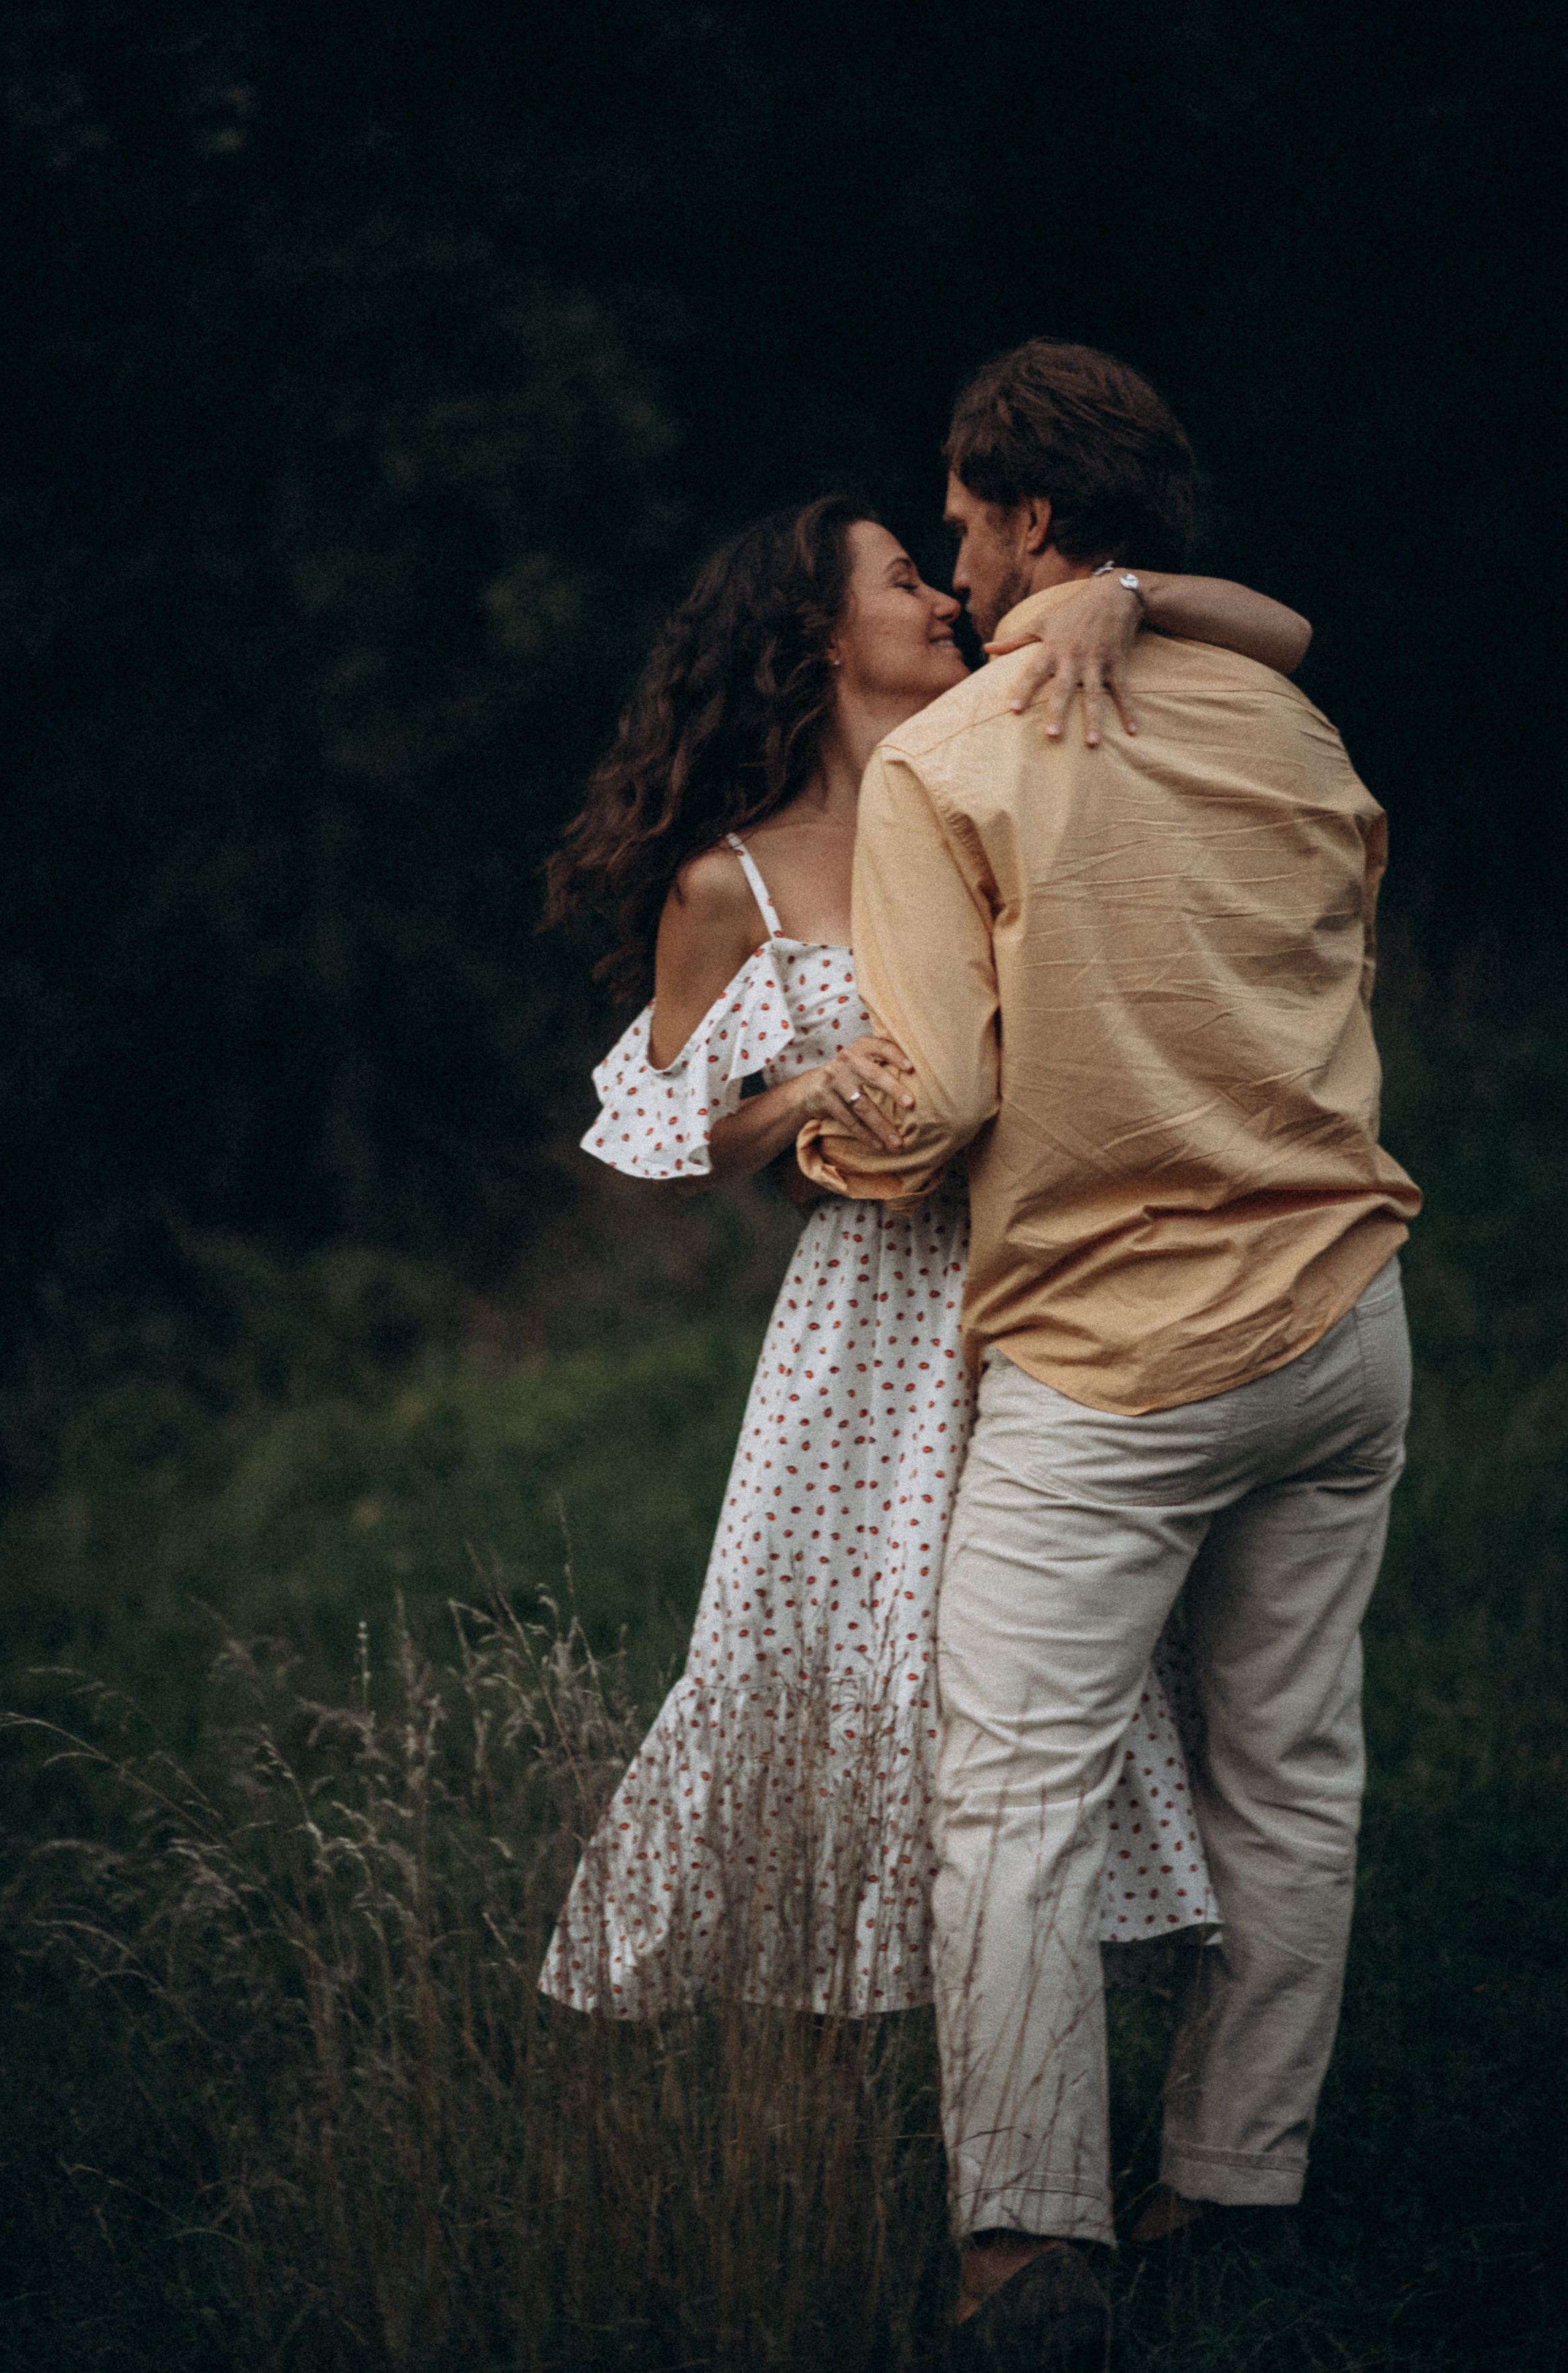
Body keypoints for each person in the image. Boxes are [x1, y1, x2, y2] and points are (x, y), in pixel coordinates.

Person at [796, 340, 1422, 2368]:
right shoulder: (1290, 719)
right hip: (1341, 1320)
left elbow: (939, 1095)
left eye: (963, 520)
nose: (958, 565)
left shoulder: (946, 761)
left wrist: (801, 1119)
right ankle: (1235, 2194)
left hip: (1109, 1366)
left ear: (1032, 517)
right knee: (1290, 1771)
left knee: (1010, 1792)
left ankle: (1025, 2243)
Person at [538, 494, 1313, 2023]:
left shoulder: (1004, 749)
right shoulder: (731, 885)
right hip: (873, 1321)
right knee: (857, 1648)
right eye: (906, 581)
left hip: (1062, 1262)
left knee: (1056, 1668)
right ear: (818, 634)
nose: (946, 601)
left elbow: (1286, 641)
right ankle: (833, 2010)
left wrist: (1125, 599)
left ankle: (1065, 1996)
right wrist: (802, 1098)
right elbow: (660, 1147)